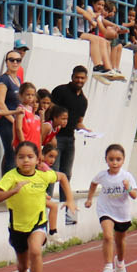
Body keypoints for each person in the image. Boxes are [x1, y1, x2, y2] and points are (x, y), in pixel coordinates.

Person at [0, 141, 58, 272]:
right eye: (21, 157)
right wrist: (13, 191)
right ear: (16, 160)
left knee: (35, 250)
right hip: (18, 227)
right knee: (23, 265)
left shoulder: (42, 175)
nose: (26, 161)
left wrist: (70, 200)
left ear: (38, 160)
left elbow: (62, 177)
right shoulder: (11, 177)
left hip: (38, 223)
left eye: (30, 157)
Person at [86, 144, 137, 272]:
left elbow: (134, 195)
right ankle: (108, 266)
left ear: (123, 160)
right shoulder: (102, 175)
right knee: (108, 236)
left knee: (120, 240)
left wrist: (128, 188)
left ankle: (120, 263)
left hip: (122, 212)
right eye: (111, 159)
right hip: (105, 210)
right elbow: (93, 183)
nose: (114, 162)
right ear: (106, 160)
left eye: (118, 159)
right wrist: (89, 199)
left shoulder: (127, 176)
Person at [49, 66, 90, 204]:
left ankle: (65, 203)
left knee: (66, 173)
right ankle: (46, 200)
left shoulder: (83, 100)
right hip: (56, 137)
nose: (79, 80)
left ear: (86, 79)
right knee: (52, 171)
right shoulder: (60, 91)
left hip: (69, 139)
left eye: (82, 78)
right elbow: (50, 112)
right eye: (77, 77)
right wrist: (51, 135)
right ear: (72, 77)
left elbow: (79, 122)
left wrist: (86, 131)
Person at [0, 50, 23, 175]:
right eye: (12, 60)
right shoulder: (4, 79)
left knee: (15, 153)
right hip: (7, 122)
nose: (15, 63)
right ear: (7, 62)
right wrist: (13, 120)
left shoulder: (18, 79)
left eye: (18, 60)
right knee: (11, 153)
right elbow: (0, 103)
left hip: (16, 121)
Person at [13, 81, 41, 149]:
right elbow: (18, 128)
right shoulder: (21, 109)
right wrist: (24, 144)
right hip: (24, 144)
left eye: (32, 95)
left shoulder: (31, 110)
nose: (30, 97)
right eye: (28, 94)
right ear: (21, 95)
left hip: (32, 144)